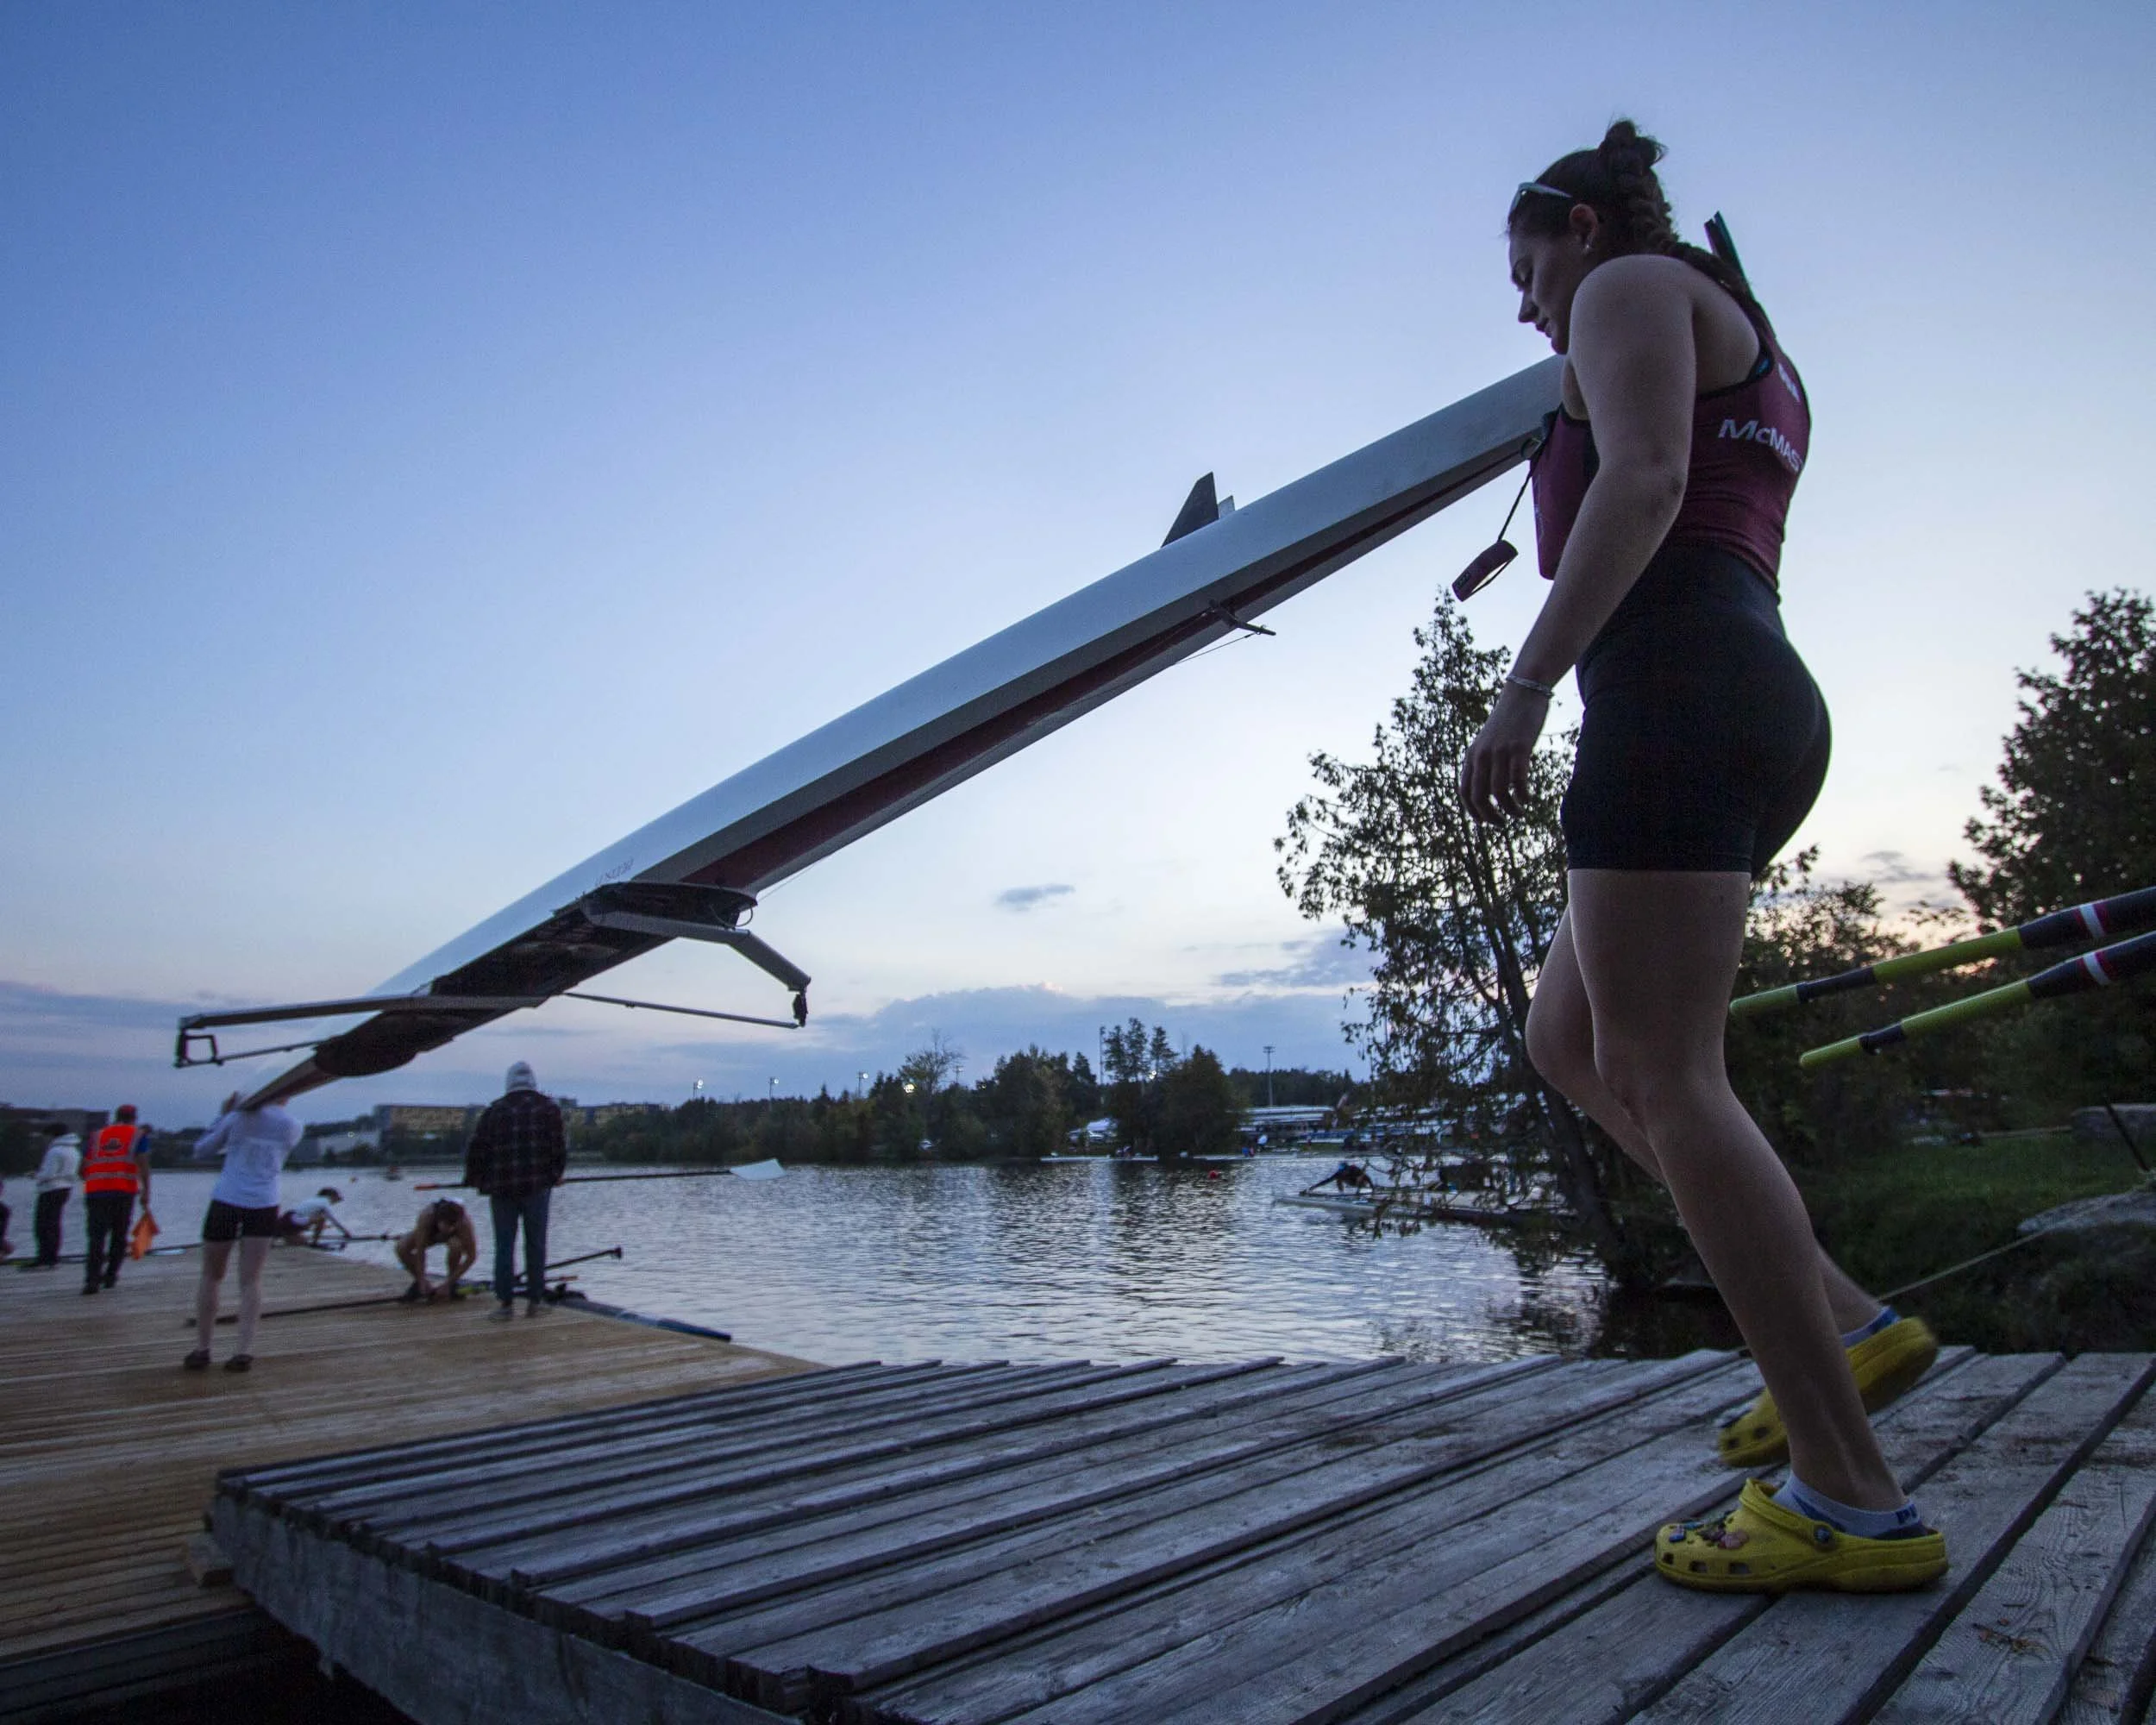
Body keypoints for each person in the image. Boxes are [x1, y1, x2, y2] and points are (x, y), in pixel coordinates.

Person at [1463, 121, 1941, 1594]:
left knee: (1672, 1075)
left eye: (1528, 264)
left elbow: (1648, 477)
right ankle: (1850, 1331)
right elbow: (1682, 467)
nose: (1527, 302)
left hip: (1668, 695)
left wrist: (1527, 685)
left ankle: (1850, 1499)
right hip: (1746, 694)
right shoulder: (1757, 343)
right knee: (1571, 1037)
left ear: (1583, 227)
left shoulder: (1629, 289)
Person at [185, 1091, 304, 1371]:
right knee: (251, 1280)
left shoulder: (238, 1117)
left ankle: (203, 1349)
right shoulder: (294, 1126)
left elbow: (202, 1150)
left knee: (211, 1275)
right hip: (264, 1203)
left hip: (227, 1198)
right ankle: (243, 1352)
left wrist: (223, 1115)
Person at [463, 1061, 567, 1321]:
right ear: (533, 1081)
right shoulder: (548, 1109)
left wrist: (474, 1179)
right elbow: (559, 1148)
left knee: (504, 1246)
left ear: (509, 1083)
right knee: (536, 1245)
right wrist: (555, 1176)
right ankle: (535, 1301)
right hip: (537, 1187)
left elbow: (477, 1150)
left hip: (502, 1190)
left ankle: (505, 1304)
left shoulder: (494, 1111)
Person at [79, 1106, 153, 1294]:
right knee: (119, 1236)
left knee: (96, 1237)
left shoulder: (97, 1136)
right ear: (134, 1118)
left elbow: (83, 1167)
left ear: (116, 1116)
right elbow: (143, 1165)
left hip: (95, 1192)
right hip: (123, 1191)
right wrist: (146, 1192)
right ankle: (111, 1275)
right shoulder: (137, 1135)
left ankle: (92, 1280)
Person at [394, 1198, 476, 1302]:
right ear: (439, 1220)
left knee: (456, 1247)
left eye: (453, 1225)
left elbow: (472, 1256)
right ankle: (420, 1284)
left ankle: (452, 1283)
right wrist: (422, 1279)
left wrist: (448, 1284)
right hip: (431, 1234)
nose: (450, 1229)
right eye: (447, 1225)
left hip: (453, 1239)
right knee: (401, 1247)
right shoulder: (426, 1217)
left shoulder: (464, 1223)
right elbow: (421, 1251)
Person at [29, 1125, 80, 1269]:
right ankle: (53, 1257)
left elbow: (48, 1174)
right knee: (55, 1224)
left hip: (50, 1190)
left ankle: (43, 1258)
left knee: (42, 1225)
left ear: (52, 1135)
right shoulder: (74, 1150)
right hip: (65, 1189)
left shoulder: (55, 1151)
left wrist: (35, 1175)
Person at [279, 1186, 348, 1245]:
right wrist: (346, 1233)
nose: (336, 1202)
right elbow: (334, 1221)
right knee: (322, 1219)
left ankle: (289, 1235)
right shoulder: (325, 1202)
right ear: (331, 1196)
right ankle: (315, 1243)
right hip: (293, 1220)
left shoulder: (314, 1200)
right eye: (336, 1198)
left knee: (302, 1242)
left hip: (289, 1219)